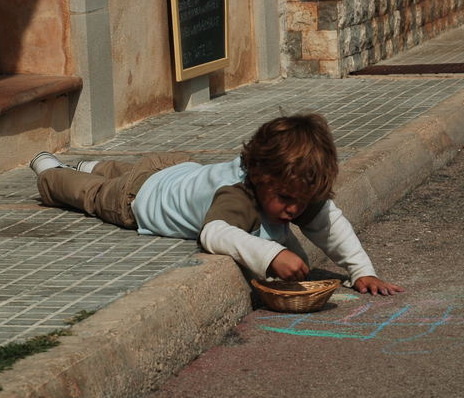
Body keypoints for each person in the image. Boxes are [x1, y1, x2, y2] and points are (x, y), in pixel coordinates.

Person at [29, 113, 404, 296]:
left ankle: (92, 164)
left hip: (175, 169)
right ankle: (51, 171)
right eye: (287, 201)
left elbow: (329, 223)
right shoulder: (237, 196)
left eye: (301, 202)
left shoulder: (287, 186)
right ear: (258, 177)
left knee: (124, 171)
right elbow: (215, 233)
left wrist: (361, 271)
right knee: (93, 194)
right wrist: (272, 255)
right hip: (139, 199)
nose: (294, 211)